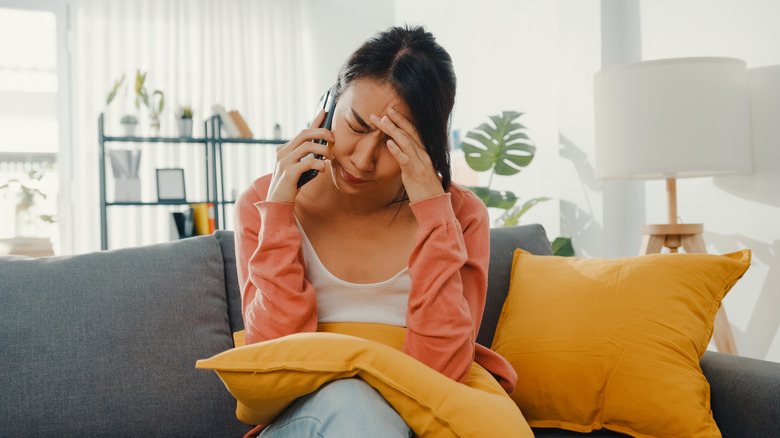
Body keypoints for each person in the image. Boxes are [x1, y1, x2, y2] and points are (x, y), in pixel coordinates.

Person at [234, 25, 517, 437]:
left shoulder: (460, 215)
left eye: (393, 142)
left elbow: (440, 375)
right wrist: (279, 211)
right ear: (328, 106)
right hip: (304, 423)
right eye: (357, 126)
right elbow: (271, 362)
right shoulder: (265, 202)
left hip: (414, 420)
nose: (363, 160)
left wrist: (435, 216)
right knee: (351, 402)